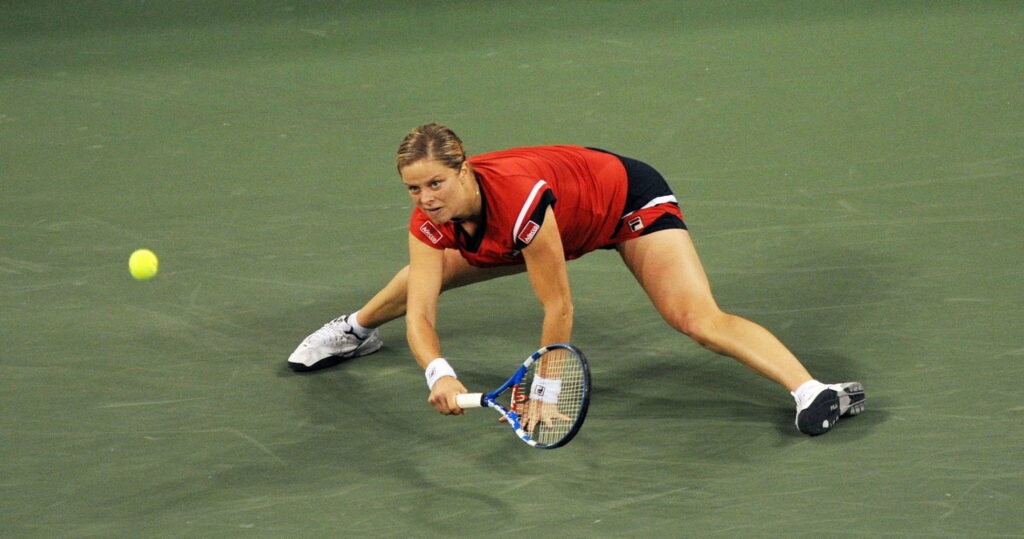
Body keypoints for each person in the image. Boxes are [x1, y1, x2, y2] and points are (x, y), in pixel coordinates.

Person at [287, 123, 865, 436]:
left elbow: (557, 304)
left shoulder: (517, 204)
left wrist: (545, 388)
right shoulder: (428, 219)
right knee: (425, 274)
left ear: (464, 168)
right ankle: (356, 329)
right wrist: (438, 373)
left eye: (436, 183)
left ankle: (814, 390)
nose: (426, 199)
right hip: (551, 220)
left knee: (695, 319)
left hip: (620, 203)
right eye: (414, 189)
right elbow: (421, 314)